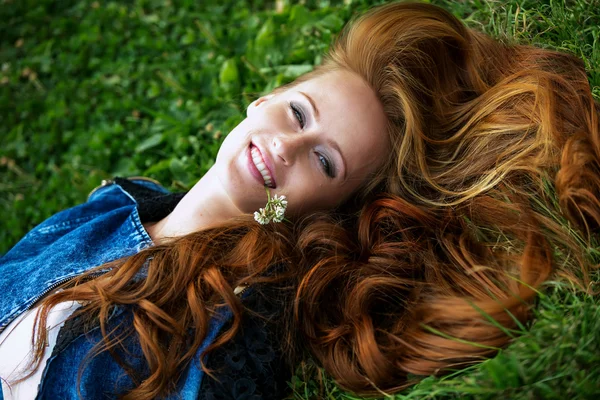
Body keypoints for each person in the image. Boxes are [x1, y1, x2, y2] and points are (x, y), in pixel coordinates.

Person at [1, 1, 599, 399]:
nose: (286, 145)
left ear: (326, 209)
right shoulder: (116, 206)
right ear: (262, 99)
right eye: (297, 112)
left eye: (323, 160)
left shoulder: (236, 333)